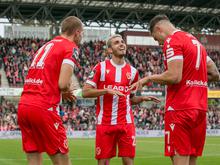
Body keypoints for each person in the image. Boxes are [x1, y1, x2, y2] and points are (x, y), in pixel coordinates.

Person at [130, 14, 220, 165]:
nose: (159, 44)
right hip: (199, 109)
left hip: (180, 108)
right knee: (191, 161)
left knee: (179, 160)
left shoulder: (172, 40)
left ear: (158, 29)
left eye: (156, 39)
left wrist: (148, 78)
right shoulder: (196, 42)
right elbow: (215, 74)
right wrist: (192, 79)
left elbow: (174, 76)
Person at [82, 34, 160, 165]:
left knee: (129, 162)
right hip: (105, 123)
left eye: (122, 42)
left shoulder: (133, 72)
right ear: (110, 50)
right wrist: (106, 90)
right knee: (103, 162)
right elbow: (85, 92)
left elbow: (130, 98)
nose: (122, 44)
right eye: (117, 43)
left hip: (126, 123)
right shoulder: (100, 67)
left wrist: (142, 99)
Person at [17, 16, 84, 165]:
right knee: (62, 161)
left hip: (24, 106)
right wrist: (66, 89)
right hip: (44, 106)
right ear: (77, 32)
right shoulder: (71, 47)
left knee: (33, 158)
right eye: (82, 34)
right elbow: (62, 83)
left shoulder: (46, 45)